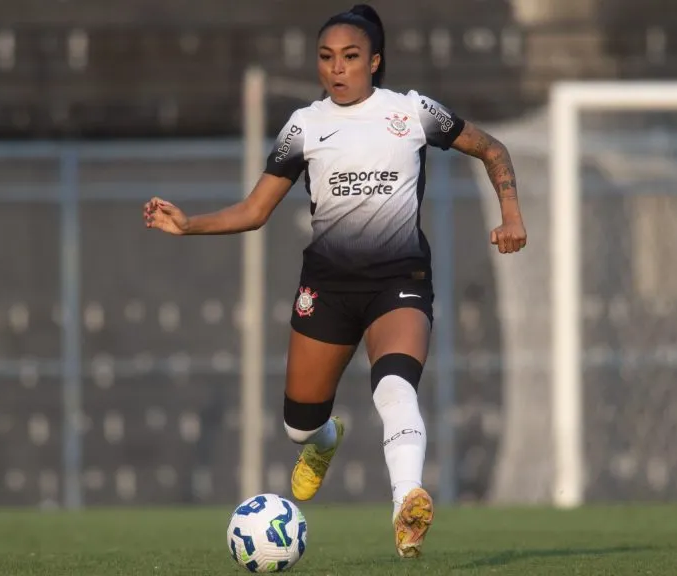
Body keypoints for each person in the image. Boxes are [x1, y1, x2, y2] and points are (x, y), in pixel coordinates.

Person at [143, 3, 526, 559]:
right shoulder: (305, 125)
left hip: (400, 280)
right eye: (326, 58)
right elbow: (255, 211)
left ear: (375, 61)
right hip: (327, 290)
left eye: (350, 57)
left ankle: (406, 504)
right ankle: (324, 441)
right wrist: (189, 225)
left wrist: (511, 215)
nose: (336, 69)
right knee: (300, 426)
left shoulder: (413, 112)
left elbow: (493, 149)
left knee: (394, 387)